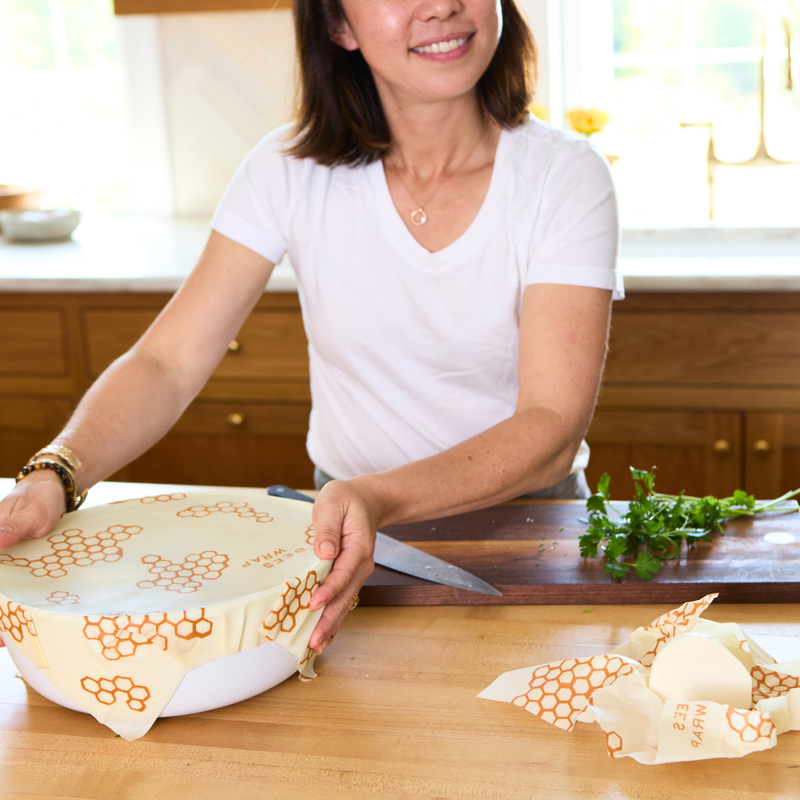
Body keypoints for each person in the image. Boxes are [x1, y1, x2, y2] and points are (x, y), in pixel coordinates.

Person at [0, 0, 621, 656]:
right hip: (346, 540)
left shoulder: (565, 177)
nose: (442, 5)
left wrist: (378, 495)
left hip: (528, 536)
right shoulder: (287, 170)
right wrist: (57, 471)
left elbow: (551, 426)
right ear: (338, 26)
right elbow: (167, 363)